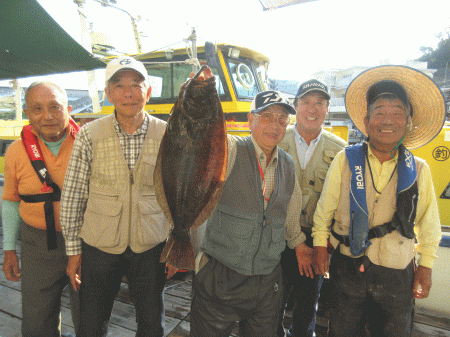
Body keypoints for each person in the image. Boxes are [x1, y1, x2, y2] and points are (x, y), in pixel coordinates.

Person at [312, 65, 444, 336]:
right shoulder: (345, 160)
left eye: (397, 114)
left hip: (397, 272)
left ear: (408, 121)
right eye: (380, 113)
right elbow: (324, 211)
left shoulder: (420, 169)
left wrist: (426, 266)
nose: (388, 120)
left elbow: (429, 223)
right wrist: (318, 246)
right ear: (367, 119)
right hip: (347, 266)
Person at [60, 56, 174, 337]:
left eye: (136, 84)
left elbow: (177, 195)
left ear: (148, 92)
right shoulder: (89, 134)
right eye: (119, 86)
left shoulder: (168, 134)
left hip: (152, 245)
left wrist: (176, 246)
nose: (129, 92)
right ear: (108, 94)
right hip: (98, 243)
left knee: (151, 323)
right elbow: (74, 195)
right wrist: (74, 251)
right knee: (91, 323)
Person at [190, 90, 304, 337]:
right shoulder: (230, 149)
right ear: (250, 120)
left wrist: (299, 243)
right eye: (266, 117)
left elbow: (292, 212)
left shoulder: (288, 164)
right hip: (221, 274)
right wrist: (198, 101)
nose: (274, 125)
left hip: (267, 281)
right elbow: (205, 141)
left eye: (282, 120)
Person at [2, 81, 80, 336]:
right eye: (37, 109)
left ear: (68, 109)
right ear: (27, 114)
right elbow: (11, 200)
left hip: (85, 242)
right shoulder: (15, 151)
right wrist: (9, 249)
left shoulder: (88, 144)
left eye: (55, 107)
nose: (47, 116)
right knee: (37, 321)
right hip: (37, 244)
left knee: (90, 316)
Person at [277, 80, 346, 337]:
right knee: (272, 302)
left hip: (316, 239)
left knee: (307, 305)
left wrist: (324, 245)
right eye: (305, 102)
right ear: (295, 106)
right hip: (276, 235)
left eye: (319, 103)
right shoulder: (275, 139)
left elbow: (341, 203)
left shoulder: (340, 150)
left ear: (328, 109)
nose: (312, 108)